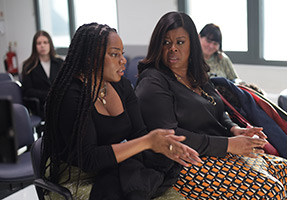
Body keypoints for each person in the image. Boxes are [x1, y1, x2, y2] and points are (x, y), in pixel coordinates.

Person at [135, 11, 287, 199]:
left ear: (192, 44)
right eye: (166, 42)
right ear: (158, 45)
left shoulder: (197, 74)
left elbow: (217, 110)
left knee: (285, 168)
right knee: (270, 189)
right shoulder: (153, 81)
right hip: (181, 163)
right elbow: (170, 136)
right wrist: (228, 144)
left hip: (216, 150)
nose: (173, 48)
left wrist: (234, 129)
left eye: (180, 42)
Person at [40, 23, 201, 200]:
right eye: (114, 54)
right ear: (90, 58)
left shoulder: (121, 86)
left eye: (121, 54)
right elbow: (88, 159)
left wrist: (165, 146)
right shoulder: (71, 95)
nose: (123, 60)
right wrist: (147, 142)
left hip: (117, 169)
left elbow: (138, 133)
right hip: (77, 176)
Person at [22, 30, 63, 118]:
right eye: (39, 43)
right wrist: (48, 95)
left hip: (60, 103)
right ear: (35, 46)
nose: (42, 46)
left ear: (50, 44)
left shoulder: (60, 63)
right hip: (41, 106)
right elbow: (28, 91)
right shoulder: (28, 66)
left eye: (45, 42)